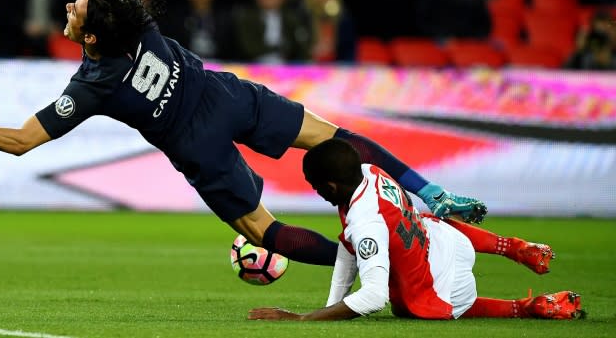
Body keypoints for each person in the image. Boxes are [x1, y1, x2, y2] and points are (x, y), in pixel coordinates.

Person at [0, 0, 485, 269]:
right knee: (333, 137)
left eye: (75, 9)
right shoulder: (129, 13)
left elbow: (22, 141)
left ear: (88, 35)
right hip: (226, 97)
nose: (70, 3)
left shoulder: (92, 84)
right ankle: (428, 192)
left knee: (263, 230)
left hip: (197, 144)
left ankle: (369, 260)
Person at [248, 139, 583, 321]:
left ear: (331, 186)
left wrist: (304, 319)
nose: (314, 191)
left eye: (315, 186)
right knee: (425, 221)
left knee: (404, 305)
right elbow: (349, 250)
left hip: (445, 289)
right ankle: (513, 246)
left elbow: (373, 297)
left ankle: (525, 307)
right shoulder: (369, 171)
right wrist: (331, 305)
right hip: (446, 242)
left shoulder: (366, 222)